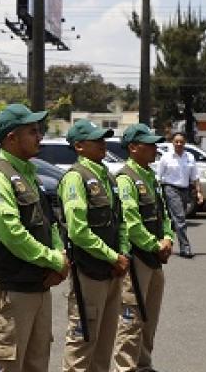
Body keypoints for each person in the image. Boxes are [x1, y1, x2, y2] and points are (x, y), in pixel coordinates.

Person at [0, 103, 70, 372]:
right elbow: (12, 234)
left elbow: (50, 225)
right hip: (11, 291)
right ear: (11, 138)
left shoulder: (30, 175)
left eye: (38, 130)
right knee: (5, 364)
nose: (39, 136)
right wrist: (53, 260)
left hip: (38, 288)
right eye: (32, 131)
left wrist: (60, 257)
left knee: (36, 363)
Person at [59, 119, 130, 372]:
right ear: (79, 146)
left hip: (112, 271)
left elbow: (119, 220)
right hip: (88, 273)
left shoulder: (107, 176)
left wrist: (122, 254)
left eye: (103, 139)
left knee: (104, 346)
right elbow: (78, 231)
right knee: (82, 343)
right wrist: (113, 257)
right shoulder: (75, 178)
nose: (103, 144)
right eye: (96, 140)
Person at [111, 123, 175, 372]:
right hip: (137, 259)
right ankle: (125, 368)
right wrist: (154, 245)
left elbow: (164, 214)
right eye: (149, 144)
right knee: (131, 320)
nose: (154, 148)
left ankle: (143, 365)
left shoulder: (150, 176)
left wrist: (168, 238)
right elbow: (131, 222)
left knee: (149, 318)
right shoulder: (126, 178)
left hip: (155, 258)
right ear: (133, 148)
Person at [156, 132, 202, 258]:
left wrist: (198, 192)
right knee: (180, 218)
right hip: (170, 189)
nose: (179, 144)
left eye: (181, 142)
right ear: (172, 142)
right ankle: (185, 248)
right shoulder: (166, 157)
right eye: (176, 141)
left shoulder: (190, 157)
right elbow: (158, 176)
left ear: (185, 143)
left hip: (185, 190)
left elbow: (195, 177)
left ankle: (163, 244)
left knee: (173, 220)